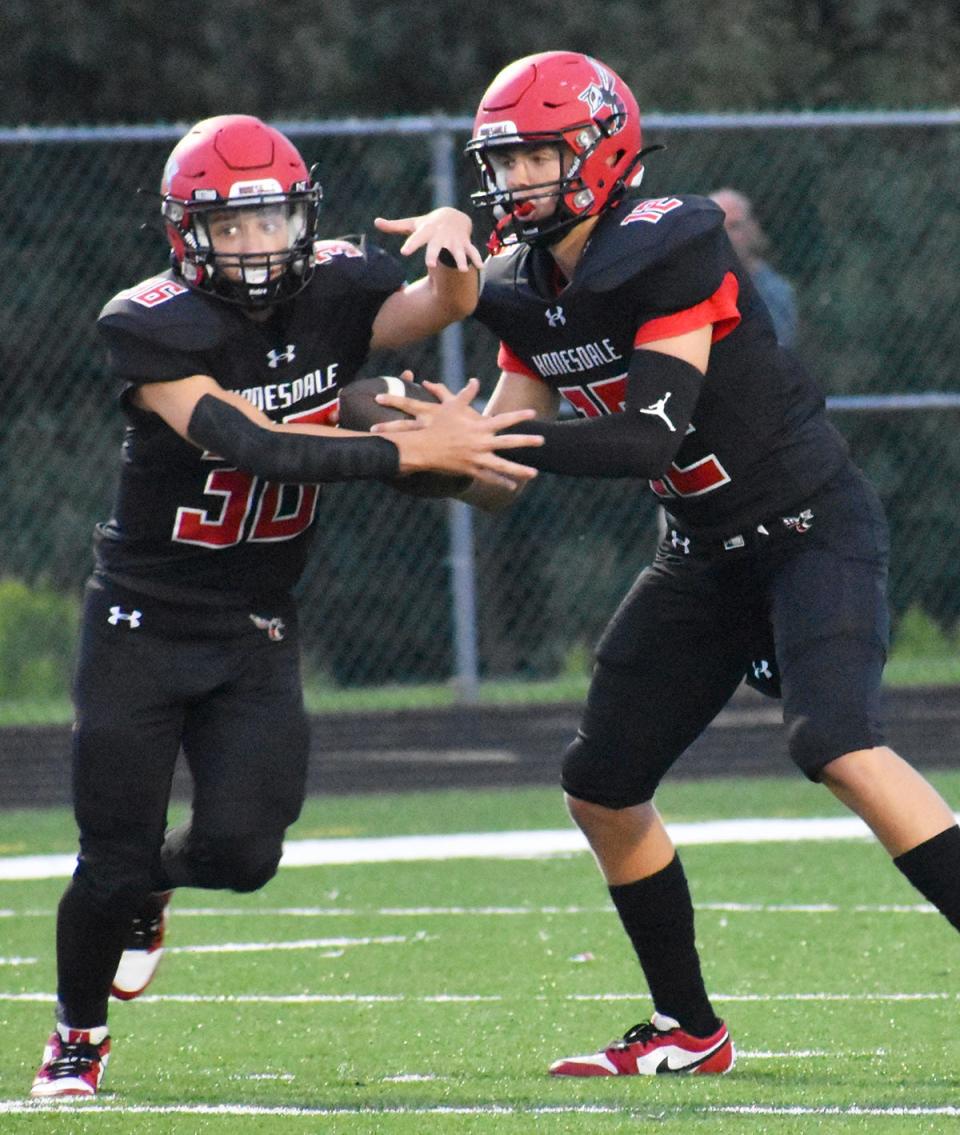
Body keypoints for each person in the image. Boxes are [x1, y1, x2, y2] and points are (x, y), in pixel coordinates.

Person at [379, 51, 960, 1078]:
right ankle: (689, 1028)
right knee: (600, 782)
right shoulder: (523, 293)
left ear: (603, 150)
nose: (516, 183)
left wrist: (483, 447)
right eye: (503, 164)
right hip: (701, 555)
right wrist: (414, 457)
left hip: (805, 527)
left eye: (537, 158)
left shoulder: (672, 243)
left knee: (835, 740)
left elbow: (649, 436)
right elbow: (499, 470)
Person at [29, 113, 542, 1099]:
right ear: (188, 233)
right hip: (143, 616)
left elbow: (438, 306)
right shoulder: (148, 321)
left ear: (303, 219)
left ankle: (154, 889)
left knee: (246, 850)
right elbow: (252, 443)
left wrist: (453, 248)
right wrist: (405, 452)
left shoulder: (339, 287)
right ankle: (77, 1037)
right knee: (108, 854)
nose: (256, 246)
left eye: (271, 222)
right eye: (232, 226)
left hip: (257, 620)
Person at [708, 187, 798, 349]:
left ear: (752, 228)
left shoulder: (775, 291)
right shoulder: (692, 286)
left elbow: (777, 348)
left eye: (734, 226)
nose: (727, 235)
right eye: (719, 226)